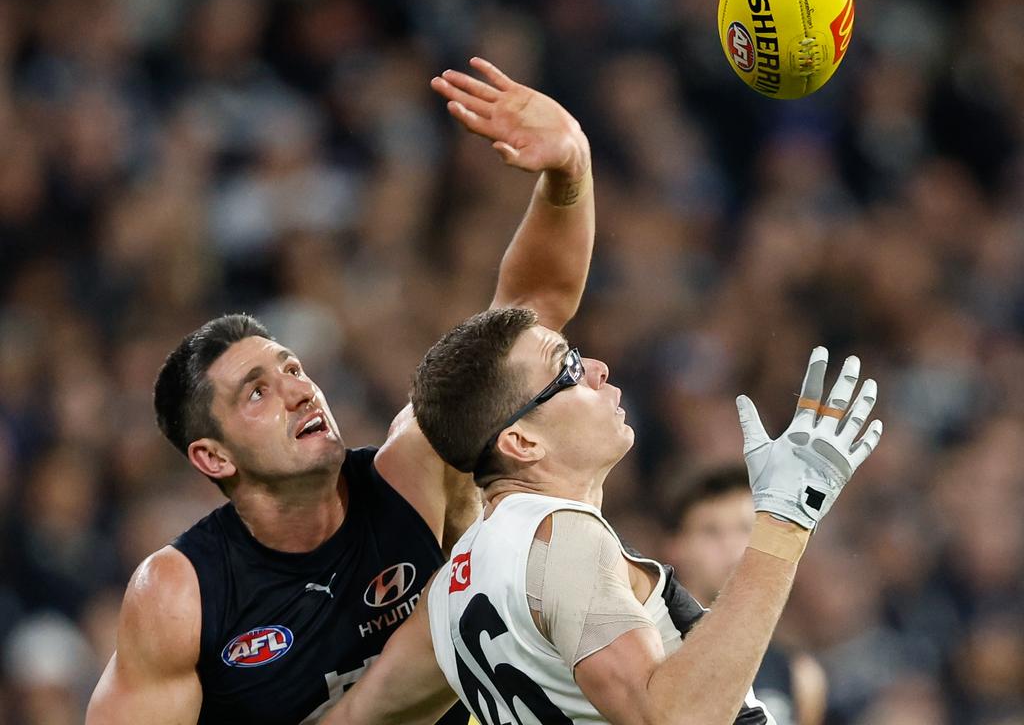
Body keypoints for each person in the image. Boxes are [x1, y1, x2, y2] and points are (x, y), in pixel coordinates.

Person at [85, 58, 598, 725]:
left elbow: (529, 317)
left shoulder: (414, 472)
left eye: (293, 369)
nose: (299, 391)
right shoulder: (181, 594)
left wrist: (567, 177)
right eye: (256, 393)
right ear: (214, 457)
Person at [323, 308, 884, 725]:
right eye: (566, 367)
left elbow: (352, 721)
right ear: (521, 441)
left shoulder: (448, 592)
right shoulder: (561, 536)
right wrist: (785, 519)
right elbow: (674, 719)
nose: (595, 367)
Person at [663, 466, 828, 725]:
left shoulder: (799, 675)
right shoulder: (650, 653)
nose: (731, 547)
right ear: (676, 546)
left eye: (745, 529)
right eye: (711, 531)